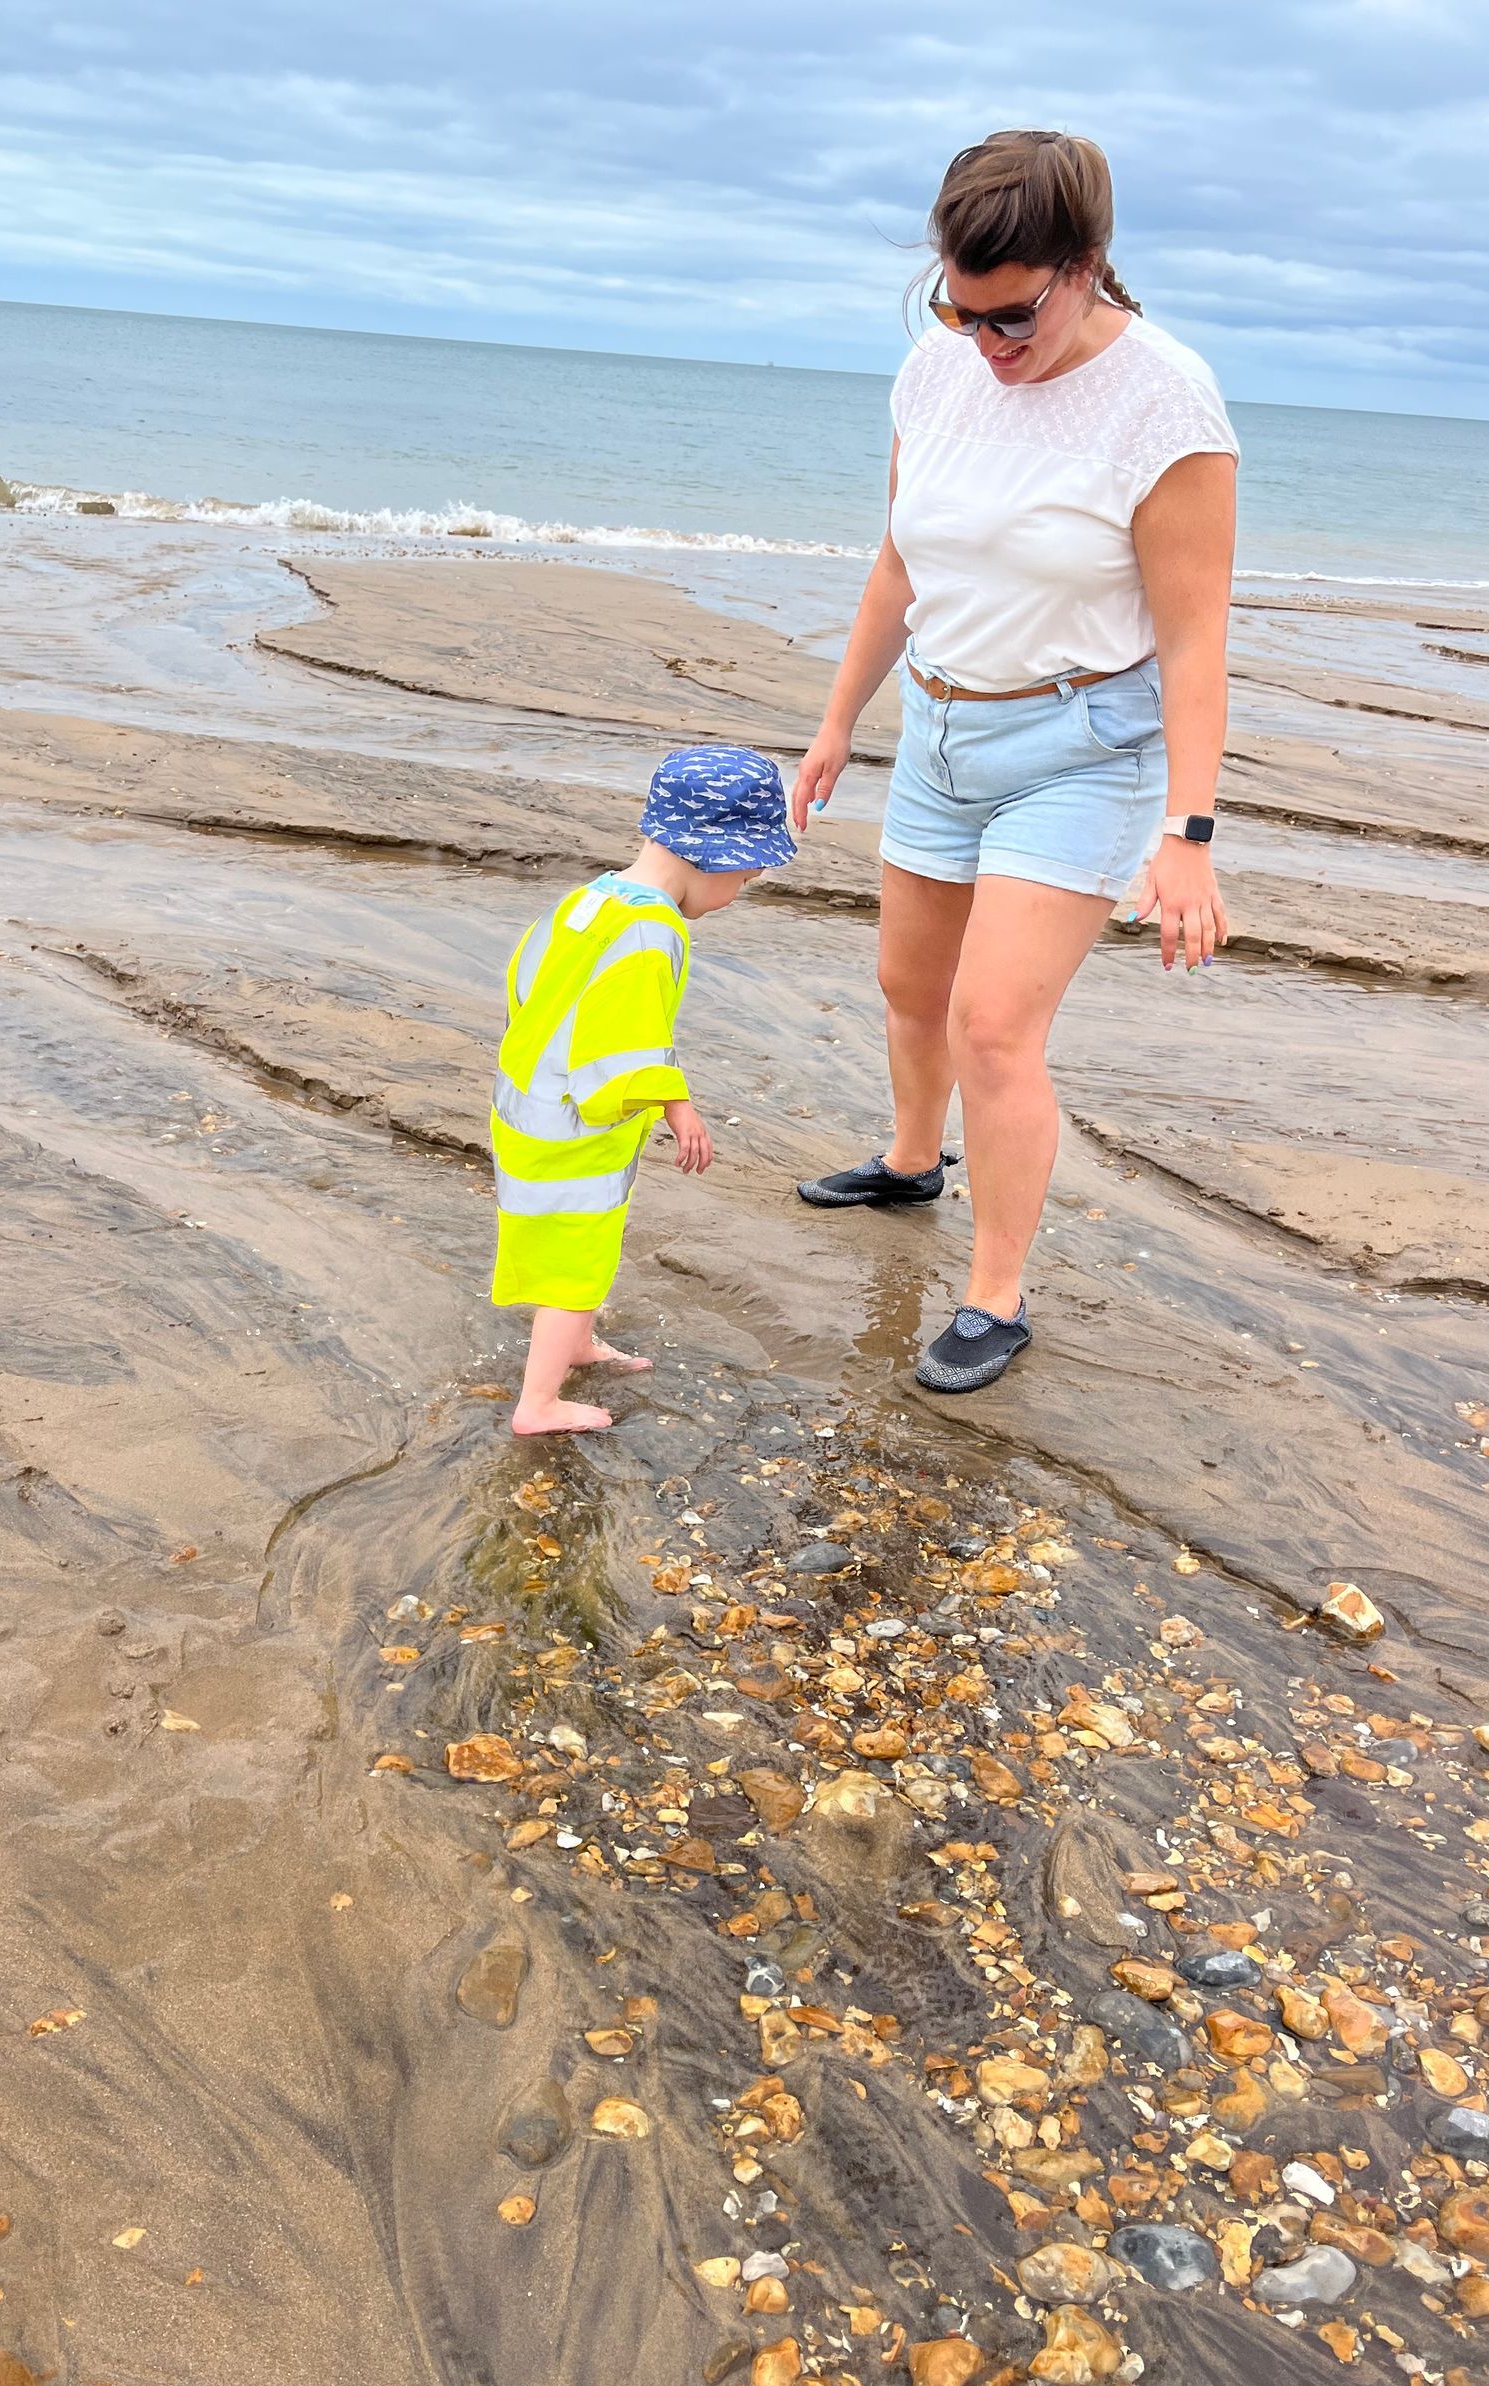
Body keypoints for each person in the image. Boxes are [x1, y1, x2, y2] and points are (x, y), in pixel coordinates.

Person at [791, 129, 1239, 1393]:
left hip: (1080, 747)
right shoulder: (935, 370)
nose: (986, 344)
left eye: (1013, 316)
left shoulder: (1167, 404)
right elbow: (899, 562)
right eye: (959, 309)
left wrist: (1188, 835)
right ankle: (907, 1160)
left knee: (995, 1026)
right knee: (907, 987)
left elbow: (1197, 641)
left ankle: (995, 1294)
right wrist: (837, 726)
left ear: (1089, 265)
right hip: (936, 726)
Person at [492, 744, 795, 1434]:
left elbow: (528, 984)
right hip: (570, 1123)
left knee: (580, 1235)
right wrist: (676, 1103)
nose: (738, 893)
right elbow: (624, 1035)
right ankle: (537, 1403)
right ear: (714, 854)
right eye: (745, 878)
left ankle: (573, 1345)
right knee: (579, 1254)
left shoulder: (591, 898)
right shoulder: (649, 932)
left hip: (529, 1100)